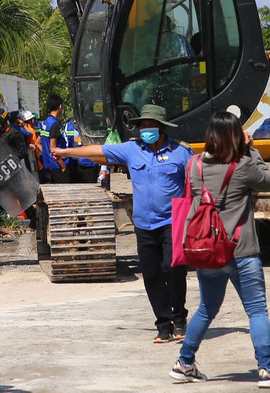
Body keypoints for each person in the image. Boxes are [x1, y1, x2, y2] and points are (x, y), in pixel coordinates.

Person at [168, 111, 270, 388]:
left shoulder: (194, 164)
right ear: (236, 136)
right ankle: (266, 370)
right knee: (257, 310)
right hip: (241, 250)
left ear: (210, 135)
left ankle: (184, 364)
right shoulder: (243, 164)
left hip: (207, 251)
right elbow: (268, 182)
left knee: (206, 310)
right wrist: (251, 149)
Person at [54, 104, 192, 343]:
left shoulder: (181, 152)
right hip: (144, 224)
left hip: (173, 221)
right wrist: (67, 153)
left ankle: (179, 317)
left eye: (150, 125)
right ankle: (164, 324)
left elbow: (196, 180)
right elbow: (97, 150)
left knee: (173, 268)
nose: (145, 129)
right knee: (151, 274)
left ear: (161, 127)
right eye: (142, 125)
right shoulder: (132, 149)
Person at [38, 95, 69, 184]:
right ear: (60, 106)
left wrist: (46, 154)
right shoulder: (55, 124)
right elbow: (53, 148)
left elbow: (37, 143)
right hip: (57, 166)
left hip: (48, 165)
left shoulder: (46, 122)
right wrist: (63, 166)